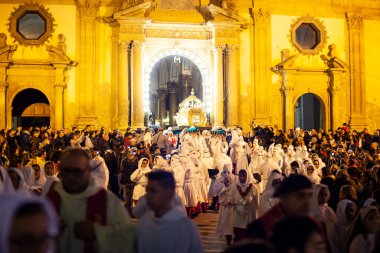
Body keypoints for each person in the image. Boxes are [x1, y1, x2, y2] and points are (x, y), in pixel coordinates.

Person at [46, 148, 134, 253]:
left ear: (87, 171)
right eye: (66, 170)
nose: (71, 176)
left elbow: (128, 237)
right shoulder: (50, 200)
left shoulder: (106, 201)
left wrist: (96, 232)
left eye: (77, 171)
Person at [135, 170, 202, 253]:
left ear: (169, 192)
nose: (147, 196)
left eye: (153, 191)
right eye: (147, 191)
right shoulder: (143, 223)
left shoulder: (185, 227)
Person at [247, 175, 313, 240]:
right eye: (301, 196)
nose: (307, 202)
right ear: (285, 198)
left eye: (310, 195)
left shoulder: (312, 225)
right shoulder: (260, 228)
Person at [230, 169, 259, 242]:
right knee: (238, 236)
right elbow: (231, 199)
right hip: (238, 216)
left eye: (244, 176)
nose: (242, 178)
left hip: (249, 215)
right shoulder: (234, 187)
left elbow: (257, 202)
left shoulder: (253, 188)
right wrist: (243, 201)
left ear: (248, 176)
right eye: (240, 176)